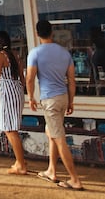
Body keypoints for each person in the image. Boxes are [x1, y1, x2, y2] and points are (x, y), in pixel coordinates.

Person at [26, 20, 84, 191]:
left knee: (59, 139)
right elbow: (72, 80)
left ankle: (75, 180)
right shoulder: (64, 53)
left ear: (37, 34)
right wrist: (71, 100)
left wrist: (30, 97)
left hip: (49, 100)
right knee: (51, 132)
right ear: (52, 32)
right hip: (63, 97)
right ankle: (51, 170)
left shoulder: (35, 53)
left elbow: (30, 78)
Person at [0, 31, 27, 174]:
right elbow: (22, 75)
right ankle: (19, 160)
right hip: (18, 90)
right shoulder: (15, 54)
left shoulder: (0, 56)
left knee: (9, 129)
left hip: (8, 92)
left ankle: (21, 164)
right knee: (12, 127)